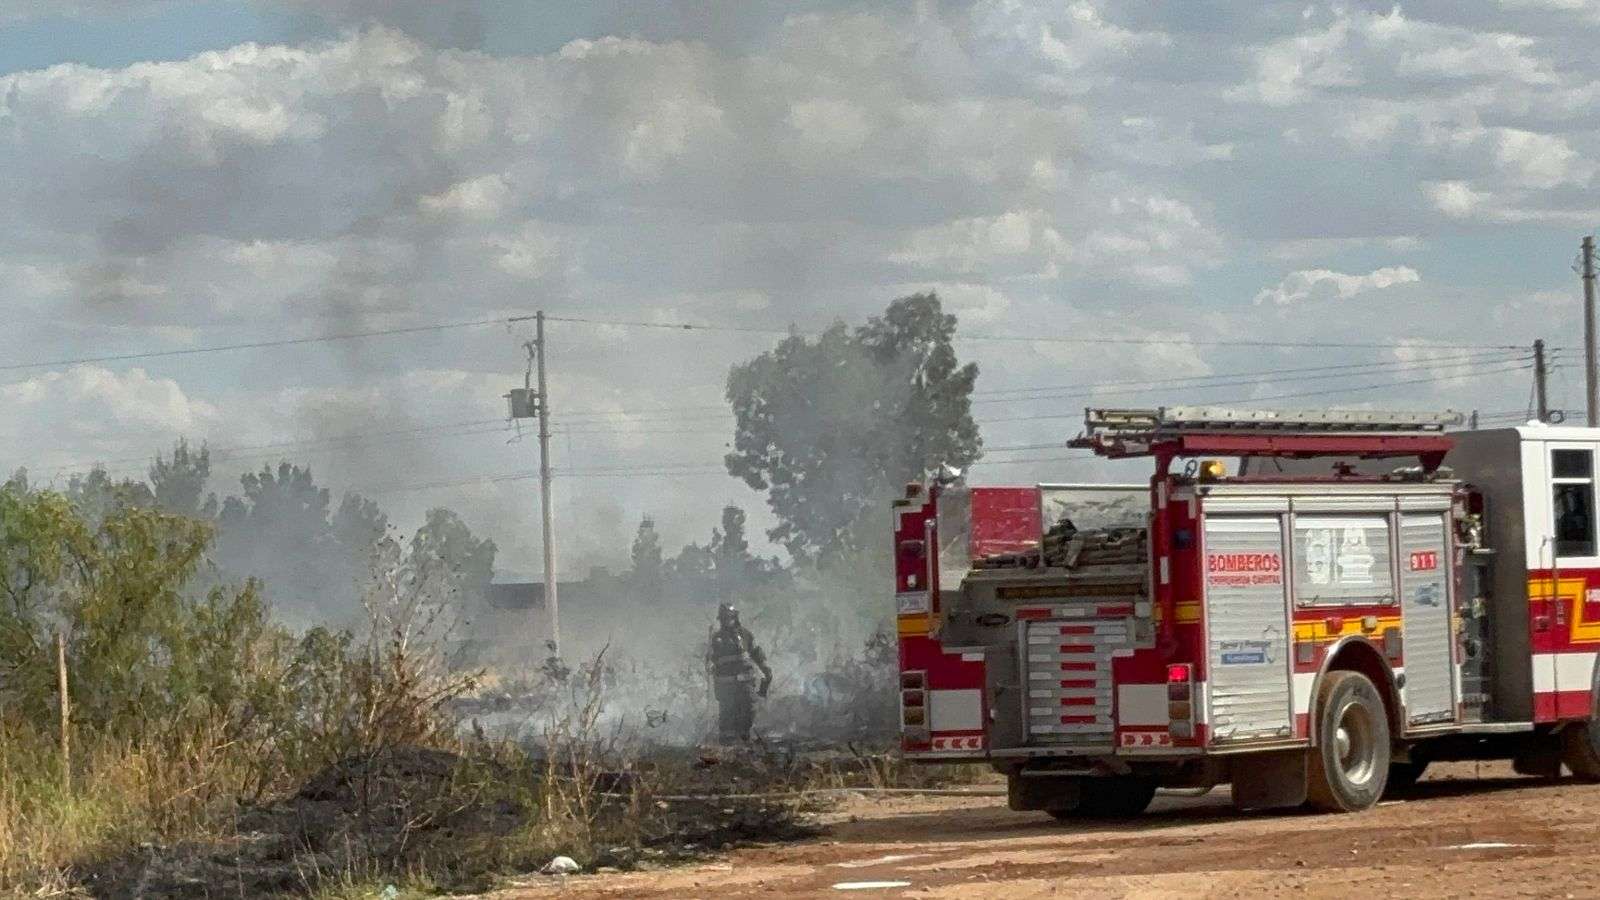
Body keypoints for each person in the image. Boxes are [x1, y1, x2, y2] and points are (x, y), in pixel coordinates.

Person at [705, 603, 772, 744]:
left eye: (729, 617)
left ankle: (744, 741)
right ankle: (727, 746)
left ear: (735, 617)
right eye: (723, 618)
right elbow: (710, 660)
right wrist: (709, 664)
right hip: (726, 686)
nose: (726, 620)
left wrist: (766, 670)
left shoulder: (745, 635)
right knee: (728, 715)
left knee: (748, 712)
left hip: (746, 683)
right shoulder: (716, 639)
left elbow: (756, 653)